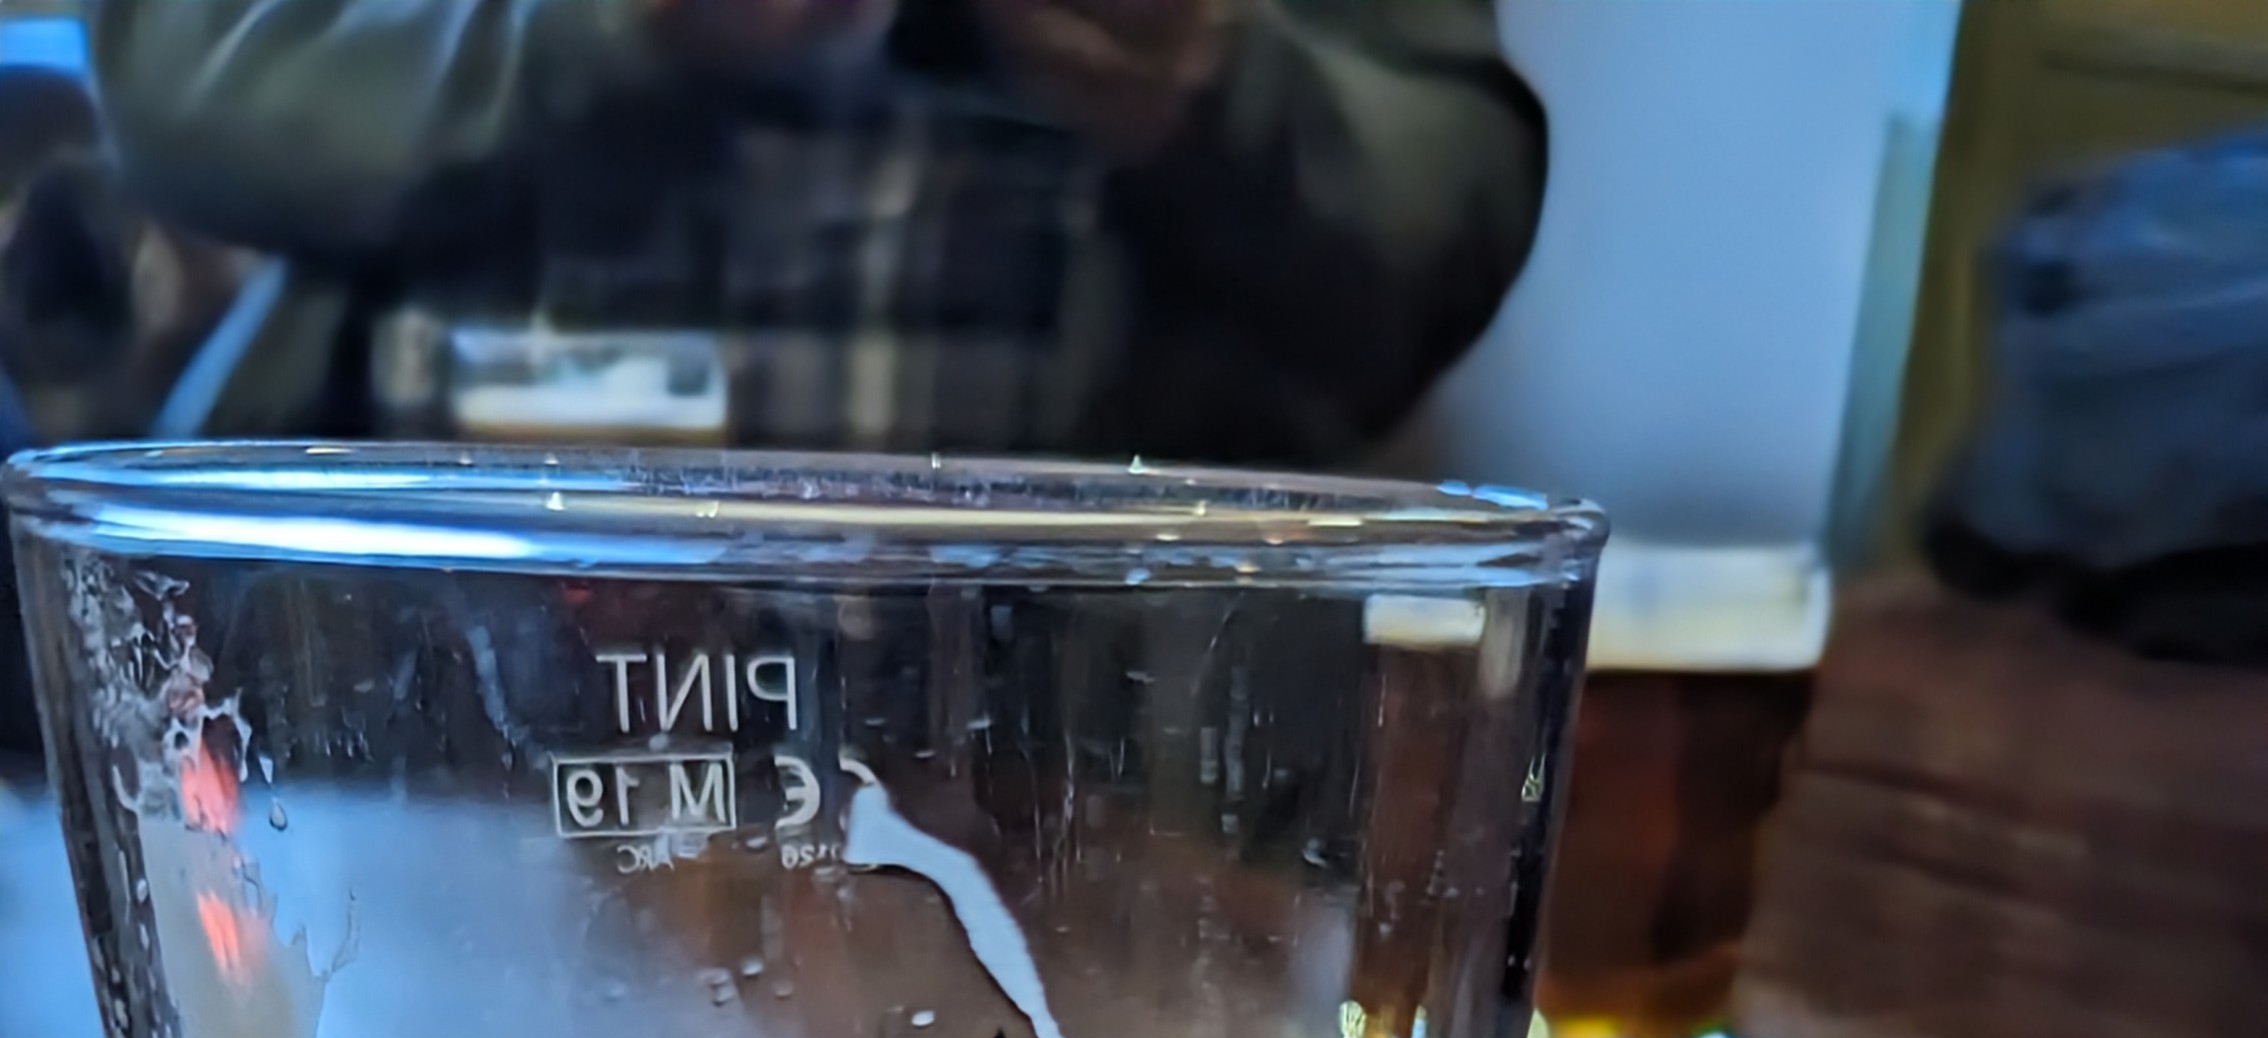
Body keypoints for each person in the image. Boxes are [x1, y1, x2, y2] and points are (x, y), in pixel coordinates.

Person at [91, 0, 1545, 460]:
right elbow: (178, 78)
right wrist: (602, 26)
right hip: (411, 730)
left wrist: (1209, 82)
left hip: (1063, 767)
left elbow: (1443, 225)